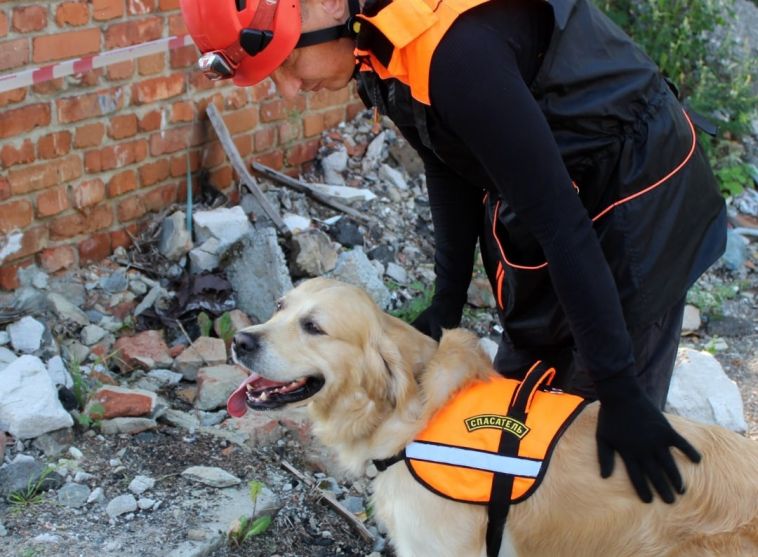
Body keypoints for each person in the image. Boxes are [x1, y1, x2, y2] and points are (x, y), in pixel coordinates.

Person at [179, 0, 727, 507]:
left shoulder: (459, 56)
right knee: (505, 407)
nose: (291, 90)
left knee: (593, 437)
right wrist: (447, 301)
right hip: (552, 191)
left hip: (636, 190)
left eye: (289, 62)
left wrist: (620, 390)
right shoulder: (377, 43)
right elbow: (443, 159)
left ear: (322, 7)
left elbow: (564, 226)